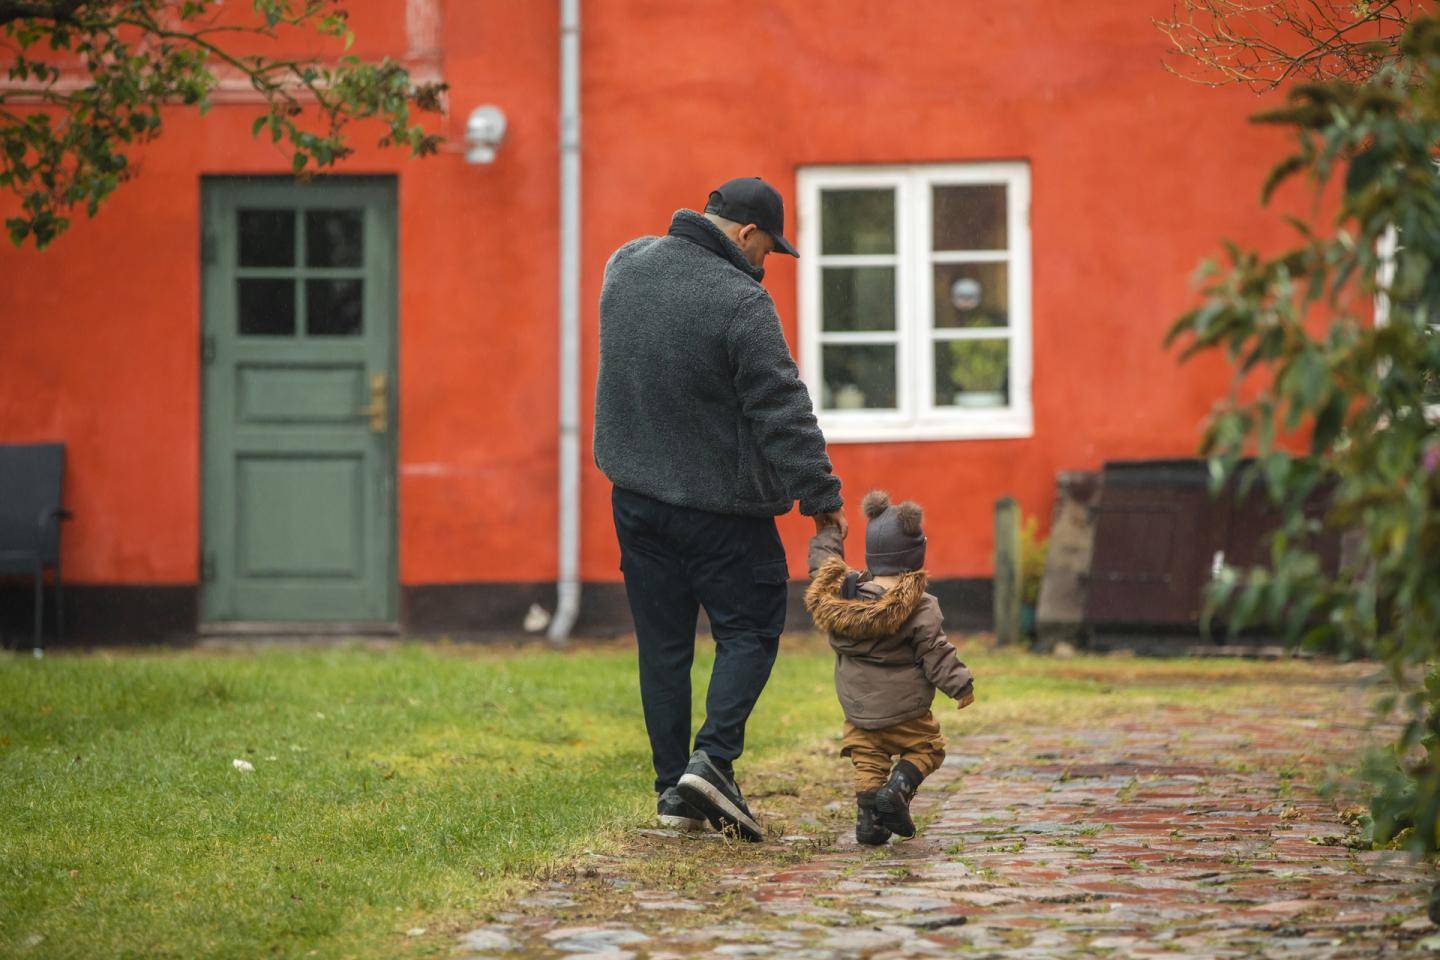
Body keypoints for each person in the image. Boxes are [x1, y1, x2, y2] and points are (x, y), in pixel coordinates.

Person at [594, 176, 847, 842]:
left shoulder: (624, 266)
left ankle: (672, 793)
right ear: (745, 234)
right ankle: (714, 760)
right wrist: (822, 498)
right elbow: (781, 408)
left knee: (664, 649)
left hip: (636, 502)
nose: (769, 263)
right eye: (769, 249)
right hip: (721, 512)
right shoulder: (740, 301)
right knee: (753, 628)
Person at [804, 490, 975, 845]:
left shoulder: (840, 594)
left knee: (868, 759)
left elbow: (822, 563)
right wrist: (960, 685)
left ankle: (870, 821)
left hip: (859, 710)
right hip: (906, 713)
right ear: (915, 556)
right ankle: (898, 790)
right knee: (929, 747)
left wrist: (828, 534)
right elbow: (936, 651)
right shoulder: (920, 606)